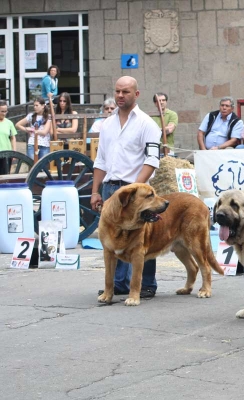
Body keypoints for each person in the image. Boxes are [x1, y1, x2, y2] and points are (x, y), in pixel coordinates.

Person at [91, 76, 162, 299]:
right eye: (117, 92)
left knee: (141, 237)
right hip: (110, 189)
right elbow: (100, 161)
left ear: (136, 94)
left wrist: (135, 189)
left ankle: (147, 284)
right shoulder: (107, 124)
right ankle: (119, 284)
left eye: (126, 92)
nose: (120, 96)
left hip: (136, 193)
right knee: (115, 237)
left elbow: (152, 160)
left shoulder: (147, 124)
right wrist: (95, 191)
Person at [0, 101, 17, 175]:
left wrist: (14, 152)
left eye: (5, 111)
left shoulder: (9, 123)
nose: (4, 113)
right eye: (2, 111)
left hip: (6, 153)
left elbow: (13, 138)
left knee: (5, 175)